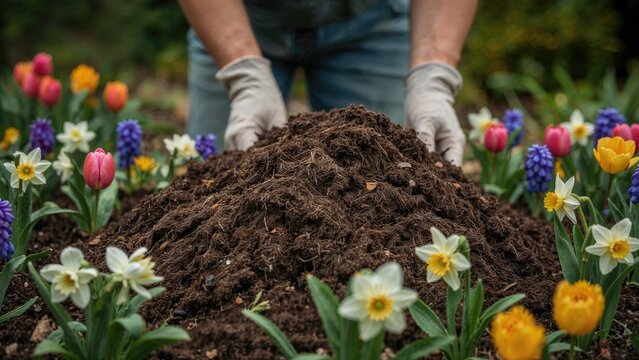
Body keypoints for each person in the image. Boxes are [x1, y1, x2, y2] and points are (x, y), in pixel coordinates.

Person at [178, 0, 477, 166]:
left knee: (382, 189)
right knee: (215, 188)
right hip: (234, 15)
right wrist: (243, 75)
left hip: (373, 21)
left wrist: (433, 76)